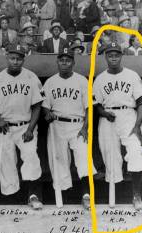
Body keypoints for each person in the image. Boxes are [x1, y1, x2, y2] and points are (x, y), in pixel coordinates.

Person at [0, 43, 45, 210]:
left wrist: (31, 129)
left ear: (23, 59)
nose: (15, 61)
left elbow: (37, 106)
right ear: (7, 57)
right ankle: (13, 198)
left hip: (25, 125)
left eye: (19, 58)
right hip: (4, 127)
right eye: (12, 58)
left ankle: (33, 195)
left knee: (31, 157)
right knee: (5, 162)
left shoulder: (31, 78)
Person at [93, 42, 142, 211]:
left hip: (128, 116)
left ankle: (137, 196)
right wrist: (104, 113)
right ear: (106, 57)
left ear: (121, 56)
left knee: (135, 152)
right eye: (110, 55)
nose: (114, 58)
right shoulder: (100, 78)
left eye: (116, 54)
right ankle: (112, 195)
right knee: (110, 156)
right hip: (108, 117)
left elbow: (141, 102)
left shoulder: (131, 75)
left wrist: (138, 124)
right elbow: (96, 104)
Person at [42, 47, 97, 210]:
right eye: (61, 60)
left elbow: (89, 108)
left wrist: (85, 128)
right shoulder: (50, 81)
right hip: (57, 124)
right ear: (57, 62)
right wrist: (47, 113)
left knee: (84, 159)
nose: (64, 62)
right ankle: (62, 196)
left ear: (73, 62)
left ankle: (86, 195)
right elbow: (45, 105)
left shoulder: (82, 81)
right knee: (59, 159)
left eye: (68, 60)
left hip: (77, 124)